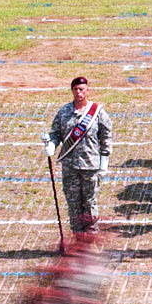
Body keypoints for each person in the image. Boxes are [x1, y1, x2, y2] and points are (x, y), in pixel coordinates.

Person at [45, 76, 112, 234]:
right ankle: (77, 237)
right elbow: (55, 133)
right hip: (70, 167)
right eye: (75, 89)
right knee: (73, 203)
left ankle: (91, 236)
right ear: (72, 91)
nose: (78, 92)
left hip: (90, 165)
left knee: (89, 203)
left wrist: (104, 163)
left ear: (87, 90)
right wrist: (52, 145)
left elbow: (106, 137)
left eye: (81, 89)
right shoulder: (64, 112)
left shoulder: (97, 113)